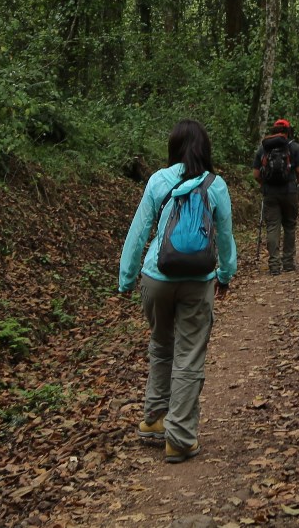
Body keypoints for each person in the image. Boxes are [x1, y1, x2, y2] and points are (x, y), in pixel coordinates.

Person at [119, 118, 237, 463]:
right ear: (206, 149)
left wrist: (127, 279)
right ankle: (181, 437)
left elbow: (139, 231)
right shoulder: (216, 185)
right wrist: (226, 275)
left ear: (173, 147)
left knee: (161, 343)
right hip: (198, 280)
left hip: (156, 277)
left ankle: (155, 418)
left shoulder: (160, 179)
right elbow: (226, 238)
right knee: (188, 355)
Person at [250, 117, 299, 274]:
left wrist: (263, 184)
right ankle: (288, 263)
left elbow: (256, 174)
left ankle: (274, 265)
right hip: (289, 191)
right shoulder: (293, 147)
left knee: (272, 227)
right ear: (288, 131)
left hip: (270, 193)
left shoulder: (264, 148)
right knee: (289, 226)